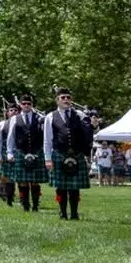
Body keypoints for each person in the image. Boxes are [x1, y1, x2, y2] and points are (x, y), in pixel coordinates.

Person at [43, 87, 92, 220]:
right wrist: (47, 158)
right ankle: (63, 212)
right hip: (59, 154)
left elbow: (88, 132)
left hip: (76, 154)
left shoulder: (80, 115)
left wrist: (94, 124)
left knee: (75, 188)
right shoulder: (50, 117)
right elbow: (47, 140)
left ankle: (74, 213)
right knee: (61, 187)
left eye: (68, 97)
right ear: (57, 100)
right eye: (63, 97)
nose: (66, 100)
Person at [6, 94, 48, 212]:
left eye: (28, 104)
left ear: (32, 105)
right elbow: (11, 137)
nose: (26, 106)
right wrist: (10, 153)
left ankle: (35, 206)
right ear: (20, 105)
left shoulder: (39, 118)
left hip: (36, 152)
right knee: (23, 182)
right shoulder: (15, 119)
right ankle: (25, 206)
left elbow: (45, 136)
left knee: (35, 182)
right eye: (24, 104)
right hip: (21, 152)